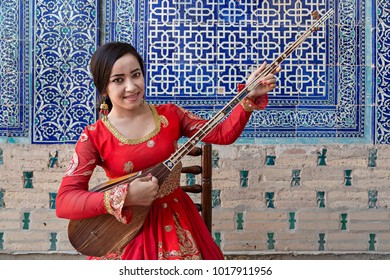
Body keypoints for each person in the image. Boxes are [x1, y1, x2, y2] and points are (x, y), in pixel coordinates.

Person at [56, 42, 280, 260]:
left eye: (136, 75)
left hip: (177, 220)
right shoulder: (94, 136)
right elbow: (65, 202)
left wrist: (247, 96)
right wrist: (124, 197)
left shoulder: (170, 115)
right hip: (125, 231)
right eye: (118, 80)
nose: (131, 87)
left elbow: (222, 134)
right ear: (104, 87)